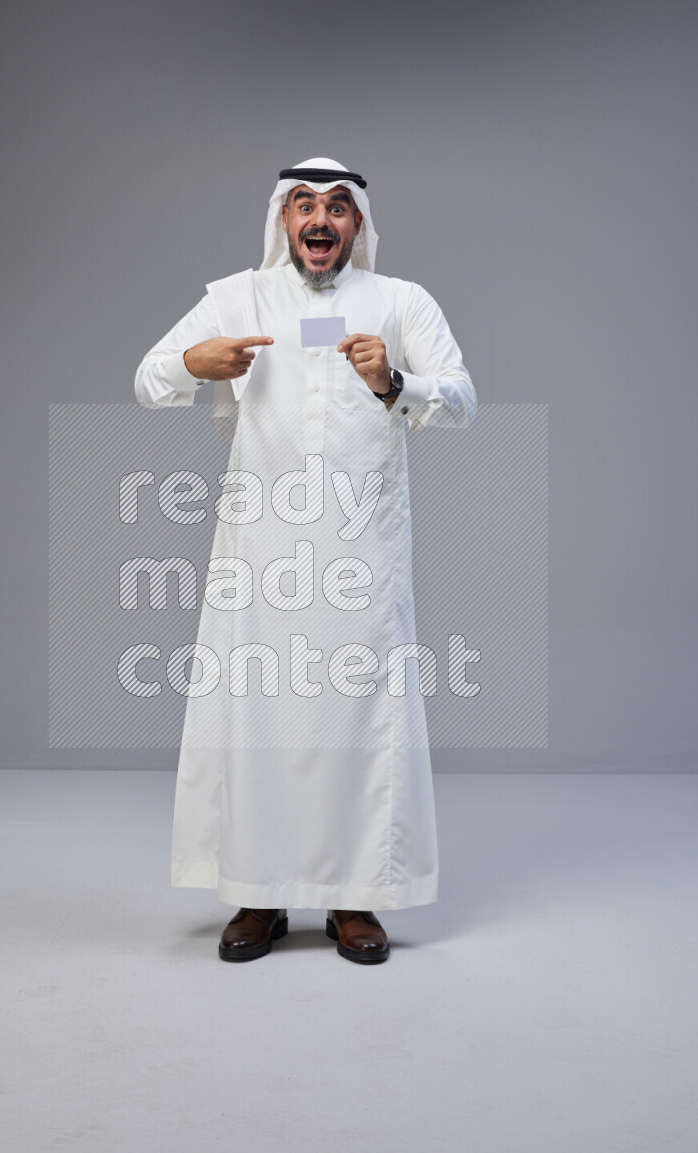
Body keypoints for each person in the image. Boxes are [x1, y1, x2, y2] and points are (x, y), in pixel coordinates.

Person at [134, 157, 476, 964]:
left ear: (357, 223)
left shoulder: (400, 302)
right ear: (282, 220)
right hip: (261, 553)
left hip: (365, 549)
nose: (319, 221)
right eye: (302, 206)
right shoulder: (236, 297)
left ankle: (357, 901)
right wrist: (194, 364)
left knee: (362, 713)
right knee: (260, 714)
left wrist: (395, 381)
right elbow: (148, 377)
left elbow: (462, 396)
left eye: (335, 208)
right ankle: (259, 894)